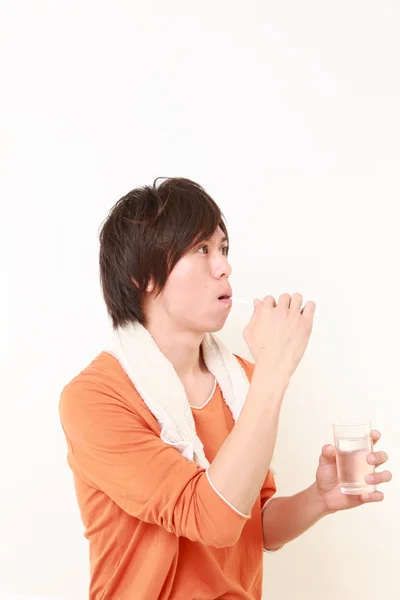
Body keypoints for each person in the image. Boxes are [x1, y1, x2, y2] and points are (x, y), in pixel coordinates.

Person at [59, 177, 391, 600]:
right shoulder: (94, 399)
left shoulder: (241, 380)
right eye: (202, 249)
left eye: (224, 249)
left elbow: (254, 523)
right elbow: (211, 518)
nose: (224, 266)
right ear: (142, 277)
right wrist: (275, 371)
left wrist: (320, 499)